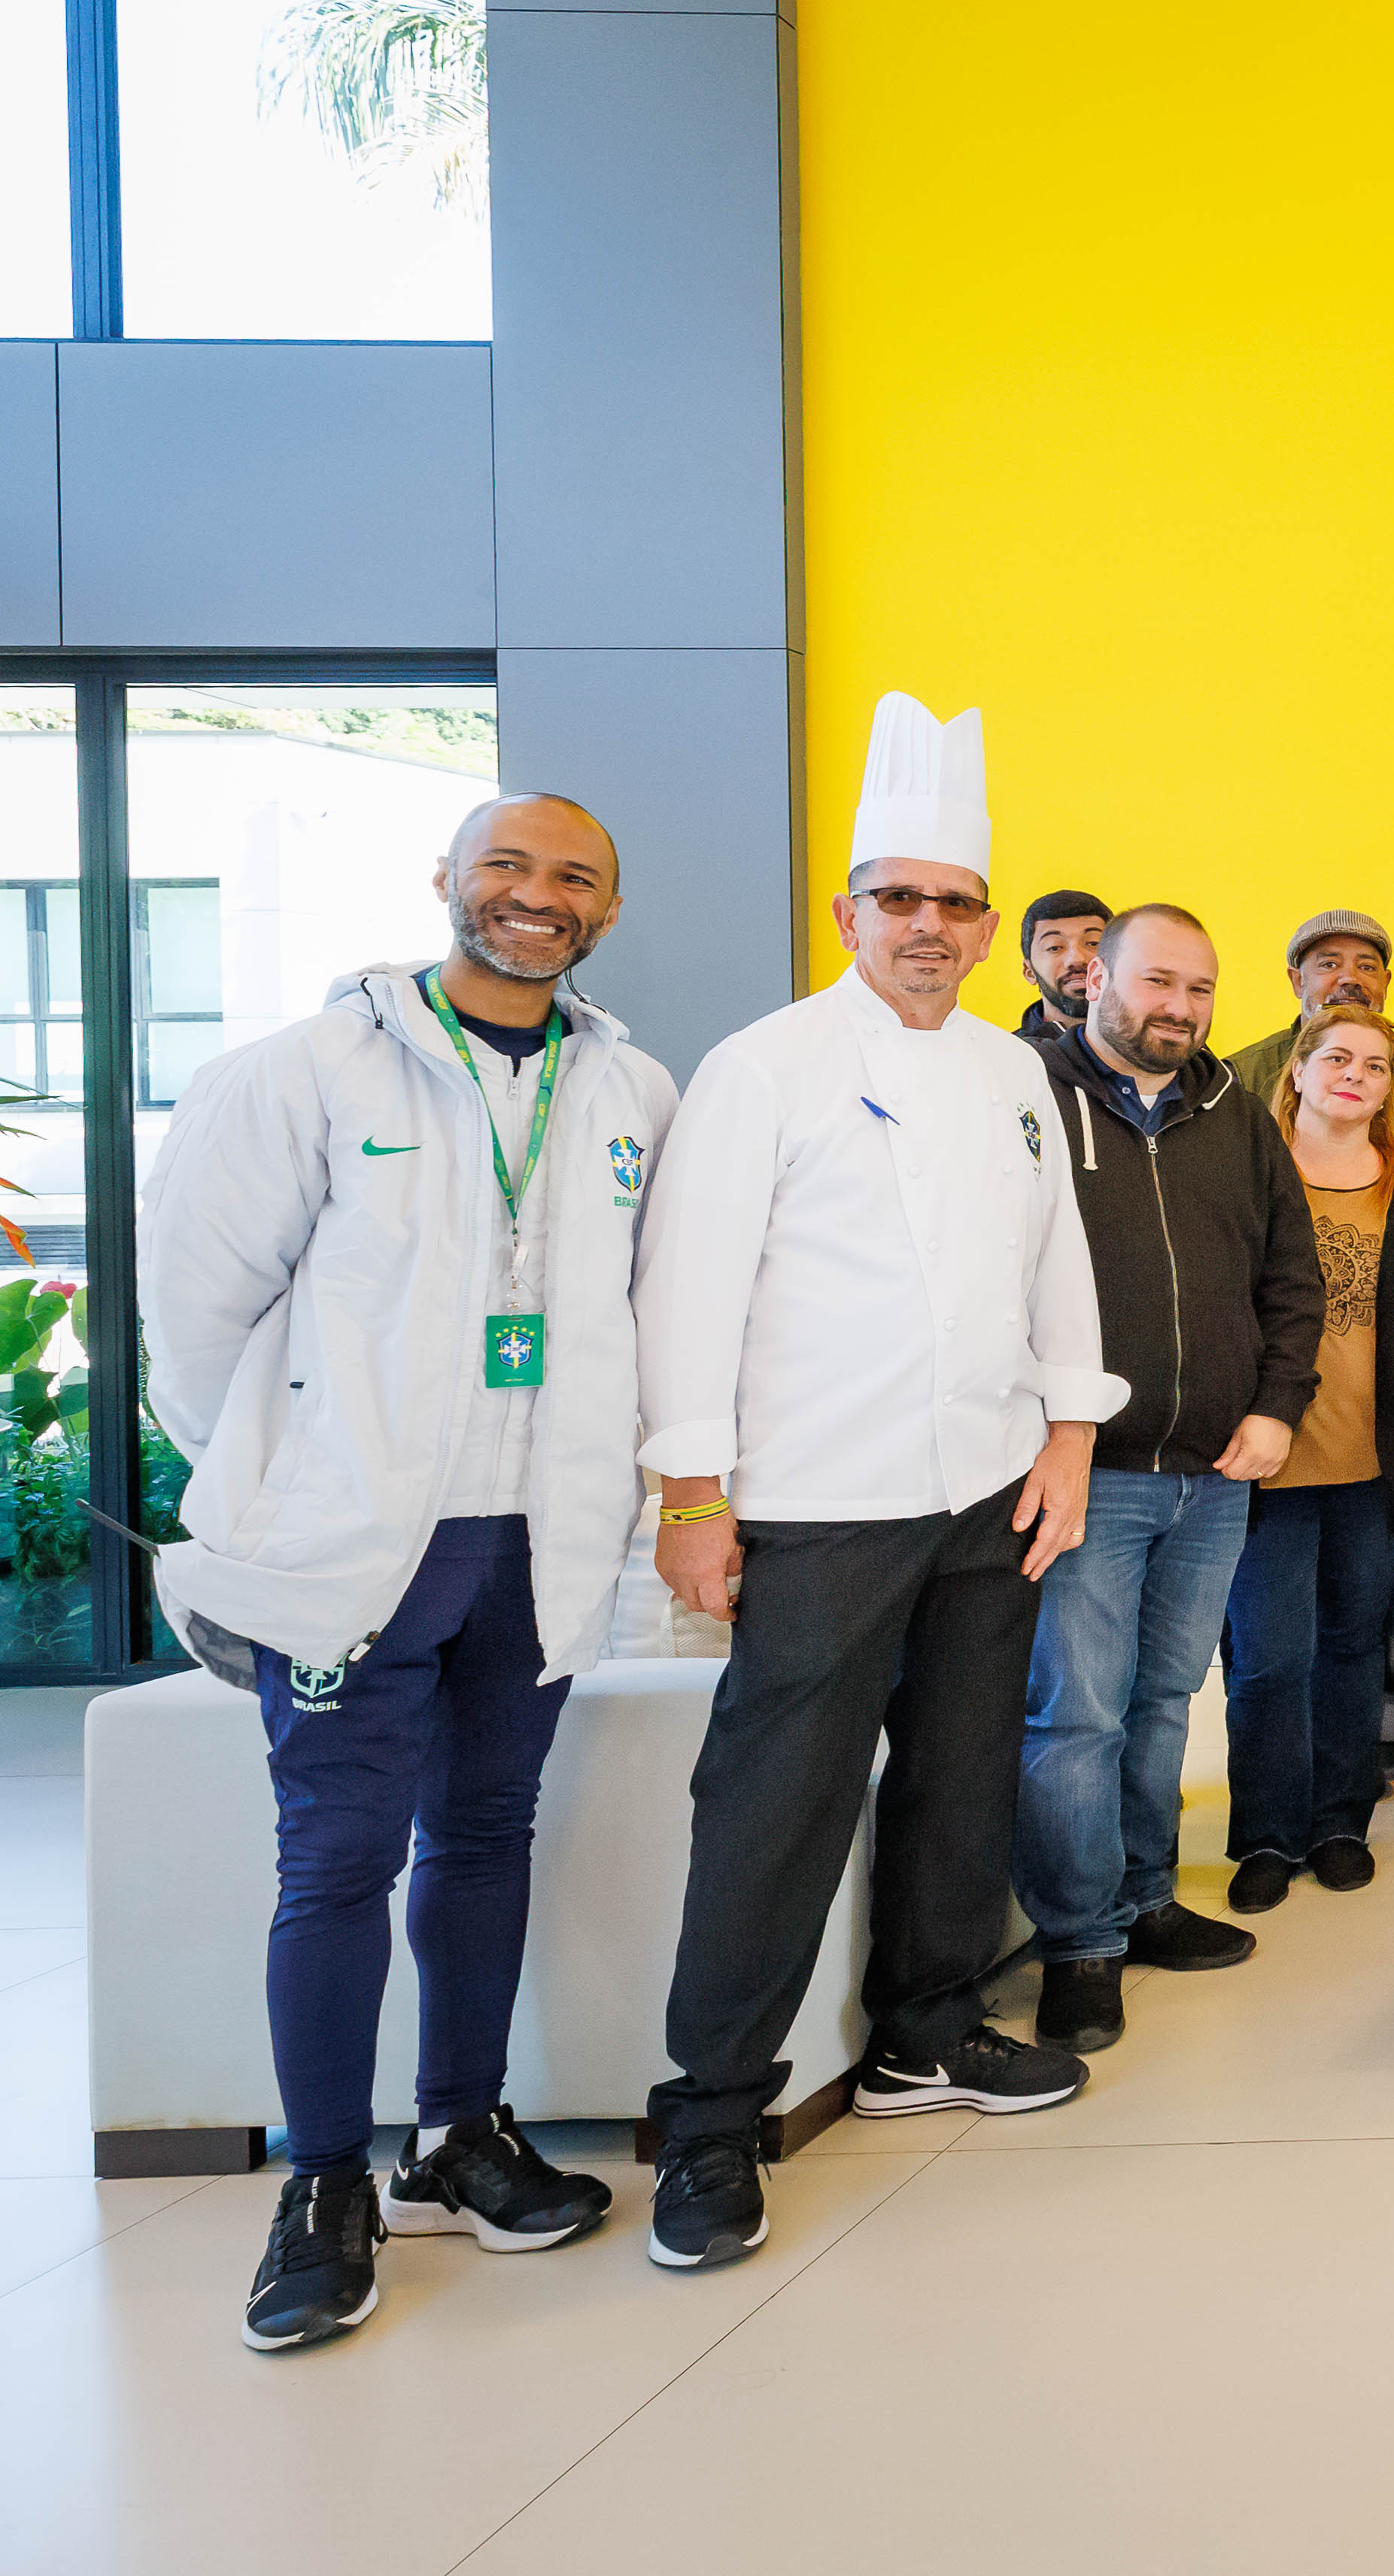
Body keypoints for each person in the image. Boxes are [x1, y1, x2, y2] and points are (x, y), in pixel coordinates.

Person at [145, 793, 680, 2353]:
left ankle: (460, 2132)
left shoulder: (629, 1086)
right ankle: (324, 2183)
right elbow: (195, 1318)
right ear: (444, 878)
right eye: (505, 863)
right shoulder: (308, 1071)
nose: (536, 894)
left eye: (574, 876)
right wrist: (291, 1476)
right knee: (335, 1861)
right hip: (356, 1543)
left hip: (535, 1536)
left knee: (489, 1831)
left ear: (607, 910)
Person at [635, 694, 1121, 2271]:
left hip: (988, 1488)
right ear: (847, 914)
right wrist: (691, 1493)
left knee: (962, 1774)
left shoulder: (1014, 1071)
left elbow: (1057, 1267)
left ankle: (926, 2029)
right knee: (775, 1802)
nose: (928, 924)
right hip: (818, 1499)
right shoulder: (762, 1067)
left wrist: (1070, 1435)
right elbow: (689, 1291)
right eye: (898, 897)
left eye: (955, 901)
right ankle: (712, 2116)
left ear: (986, 925)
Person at [1014, 903, 1323, 2051]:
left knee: (1159, 1705)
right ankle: (1079, 1941)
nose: (1180, 1007)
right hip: (1086, 1470)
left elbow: (1291, 1274)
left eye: (1199, 988)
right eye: (1158, 981)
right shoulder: (1027, 1096)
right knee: (1076, 1713)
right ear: (1095, 976)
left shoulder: (1234, 1112)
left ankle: (1145, 1898)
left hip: (1215, 1470)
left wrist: (1277, 1405)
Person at [1222, 1006, 1394, 1913]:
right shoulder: (1249, 1176)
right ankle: (1265, 1834)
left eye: (1375, 1066)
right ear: (1296, 1069)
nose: (1354, 1077)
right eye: (1337, 1058)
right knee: (1267, 1658)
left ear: (1388, 1089)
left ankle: (1339, 1824)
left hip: (1378, 1468)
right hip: (1264, 1467)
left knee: (1349, 1649)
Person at [1224, 907, 1394, 1122]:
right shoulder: (1242, 1079)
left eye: (1366, 967)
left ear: (1386, 983)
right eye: (1330, 965)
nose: (1350, 978)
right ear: (1298, 981)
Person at [1013, 888, 1107, 1042]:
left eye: (1093, 943)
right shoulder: (1008, 1053)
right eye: (1055, 947)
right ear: (1029, 972)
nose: (1076, 959)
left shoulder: (1149, 1047)